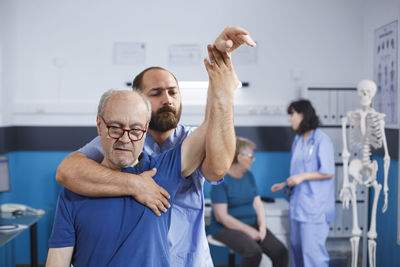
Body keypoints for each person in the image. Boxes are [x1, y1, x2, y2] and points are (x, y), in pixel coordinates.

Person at [54, 26, 255, 266]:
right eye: (157, 93)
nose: (167, 99)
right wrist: (136, 184)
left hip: (189, 260)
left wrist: (220, 70)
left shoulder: (187, 144)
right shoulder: (121, 140)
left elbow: (218, 167)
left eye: (173, 92)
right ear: (138, 99)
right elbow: (67, 171)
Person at [270, 99, 336, 267]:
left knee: (312, 255)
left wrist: (302, 177)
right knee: (297, 250)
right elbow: (298, 172)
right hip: (299, 205)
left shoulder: (322, 140)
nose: (289, 119)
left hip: (315, 208)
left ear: (302, 115)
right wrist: (285, 183)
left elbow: (328, 172)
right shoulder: (298, 141)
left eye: (292, 114)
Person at [209, 137, 288, 267]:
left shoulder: (249, 176)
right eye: (251, 156)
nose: (253, 159)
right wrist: (249, 231)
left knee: (280, 251)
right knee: (253, 252)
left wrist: (262, 227)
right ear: (240, 157)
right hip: (224, 228)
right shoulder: (221, 181)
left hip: (252, 224)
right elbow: (221, 217)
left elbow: (258, 204)